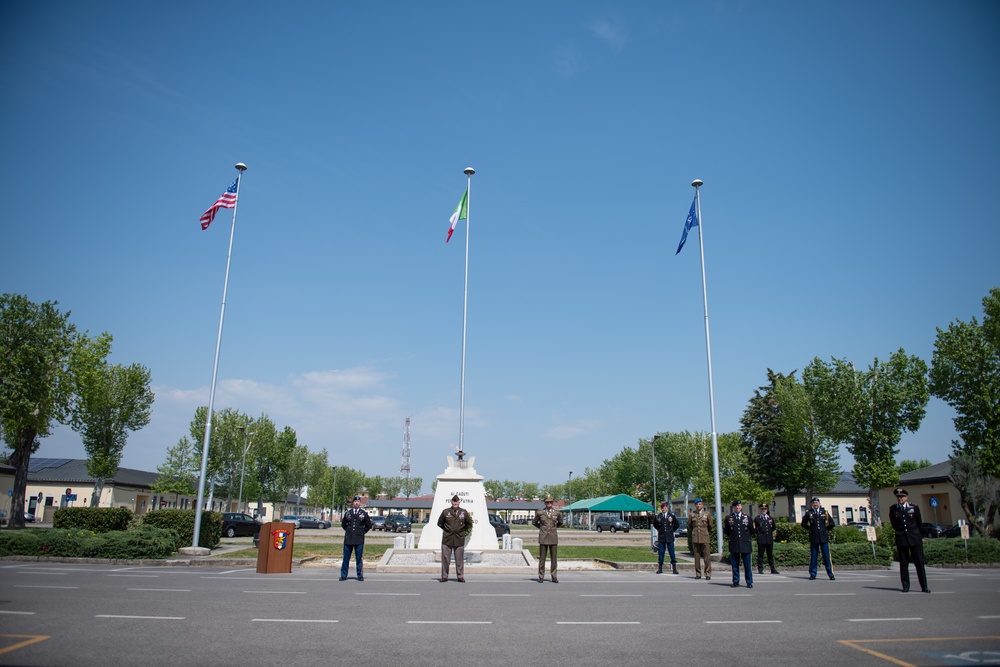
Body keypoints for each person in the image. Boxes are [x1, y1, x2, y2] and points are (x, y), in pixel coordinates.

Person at [888, 487, 930, 593]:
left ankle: (924, 586)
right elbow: (894, 523)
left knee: (919, 563)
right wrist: (899, 532)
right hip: (902, 539)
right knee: (903, 564)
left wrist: (916, 534)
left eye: (902, 497)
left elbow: (919, 523)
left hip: (914, 538)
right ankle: (906, 586)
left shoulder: (913, 507)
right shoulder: (894, 509)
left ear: (906, 497)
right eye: (898, 497)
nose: (900, 499)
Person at [438, 494, 473, 582]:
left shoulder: (463, 512)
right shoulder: (446, 512)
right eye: (454, 501)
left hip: (459, 538)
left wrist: (462, 532)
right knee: (445, 559)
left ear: (459, 502)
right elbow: (440, 523)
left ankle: (460, 576)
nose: (455, 503)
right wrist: (447, 530)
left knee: (459, 559)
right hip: (447, 538)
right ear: (452, 502)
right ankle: (444, 576)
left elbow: (469, 524)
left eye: (456, 501)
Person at [801, 497, 835, 580]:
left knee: (826, 557)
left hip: (823, 537)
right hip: (814, 537)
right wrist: (810, 529)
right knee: (814, 556)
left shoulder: (824, 512)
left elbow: (832, 523)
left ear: (819, 503)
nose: (815, 504)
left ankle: (830, 574)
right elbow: (803, 524)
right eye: (814, 503)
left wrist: (826, 529)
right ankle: (813, 573)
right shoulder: (809, 513)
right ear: (812, 504)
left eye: (816, 503)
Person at [340, 495, 372, 581]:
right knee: (346, 558)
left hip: (359, 539)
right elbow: (343, 524)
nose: (356, 503)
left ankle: (360, 575)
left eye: (358, 501)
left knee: (359, 558)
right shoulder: (348, 513)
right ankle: (343, 575)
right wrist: (348, 531)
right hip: (349, 539)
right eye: (355, 501)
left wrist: (362, 532)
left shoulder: (363, 514)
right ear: (353, 503)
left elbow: (369, 525)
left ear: (360, 503)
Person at [533, 493, 563, 583]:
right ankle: (541, 576)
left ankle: (554, 576)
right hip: (543, 537)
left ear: (552, 503)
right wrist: (542, 528)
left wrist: (553, 528)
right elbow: (534, 522)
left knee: (554, 558)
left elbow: (560, 523)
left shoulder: (557, 513)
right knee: (542, 558)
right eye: (547, 502)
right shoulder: (540, 512)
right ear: (545, 503)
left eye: (550, 502)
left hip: (553, 537)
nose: (549, 504)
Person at [724, 500, 754, 588]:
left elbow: (751, 530)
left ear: (741, 507)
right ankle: (736, 581)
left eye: (739, 506)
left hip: (745, 544)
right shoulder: (729, 518)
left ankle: (749, 582)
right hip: (734, 543)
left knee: (747, 565)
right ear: (733, 507)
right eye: (736, 506)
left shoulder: (747, 518)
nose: (737, 507)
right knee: (735, 565)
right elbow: (727, 531)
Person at [688, 498, 713, 580]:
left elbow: (710, 526)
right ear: (695, 505)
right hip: (696, 537)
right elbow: (690, 525)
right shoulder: (692, 514)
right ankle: (698, 573)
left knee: (707, 556)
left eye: (700, 504)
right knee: (697, 557)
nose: (698, 506)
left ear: (702, 505)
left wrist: (705, 532)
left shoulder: (707, 514)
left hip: (705, 537)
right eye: (697, 504)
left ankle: (708, 573)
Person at [652, 501, 679, 574]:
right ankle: (660, 568)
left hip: (669, 537)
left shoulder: (671, 516)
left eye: (666, 508)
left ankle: (674, 568)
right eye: (663, 508)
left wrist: (671, 530)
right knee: (661, 552)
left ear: (667, 508)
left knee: (671, 552)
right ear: (661, 509)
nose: (664, 509)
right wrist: (660, 530)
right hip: (662, 537)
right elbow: (655, 524)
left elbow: (676, 524)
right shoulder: (659, 516)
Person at [753, 502, 779, 574]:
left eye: (765, 509)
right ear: (760, 510)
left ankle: (772, 568)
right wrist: (759, 534)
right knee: (760, 554)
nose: (763, 510)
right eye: (762, 509)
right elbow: (755, 529)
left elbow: (773, 527)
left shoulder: (770, 518)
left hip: (769, 539)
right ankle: (760, 568)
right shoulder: (757, 519)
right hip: (761, 539)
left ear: (767, 510)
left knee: (770, 554)